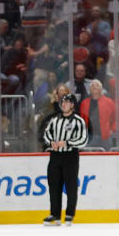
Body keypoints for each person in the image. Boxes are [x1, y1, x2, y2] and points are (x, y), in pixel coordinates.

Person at [40, 92, 88, 225]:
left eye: (67, 102)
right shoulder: (55, 120)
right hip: (55, 156)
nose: (64, 104)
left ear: (72, 105)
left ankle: (69, 214)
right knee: (54, 185)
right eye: (62, 102)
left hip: (70, 155)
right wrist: (51, 143)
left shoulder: (78, 121)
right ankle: (55, 215)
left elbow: (83, 139)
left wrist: (67, 143)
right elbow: (46, 133)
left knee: (71, 185)